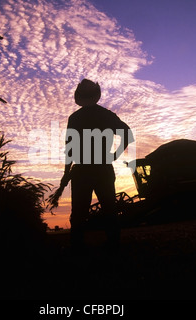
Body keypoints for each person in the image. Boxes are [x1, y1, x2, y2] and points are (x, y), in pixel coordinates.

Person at [61, 79, 134, 249]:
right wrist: (114, 154)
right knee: (109, 208)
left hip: (81, 170)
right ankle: (113, 244)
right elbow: (127, 134)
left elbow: (69, 149)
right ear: (95, 96)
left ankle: (77, 247)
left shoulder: (75, 118)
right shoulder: (106, 115)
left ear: (80, 97)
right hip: (102, 168)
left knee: (79, 212)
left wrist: (66, 173)